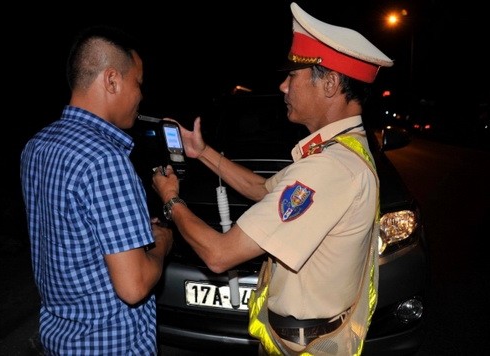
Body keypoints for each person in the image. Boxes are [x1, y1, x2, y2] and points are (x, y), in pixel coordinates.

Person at [152, 3, 394, 355]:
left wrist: (171, 200)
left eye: (292, 76)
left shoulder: (329, 168)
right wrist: (202, 151)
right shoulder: (342, 151)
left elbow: (219, 255)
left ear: (329, 84)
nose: (283, 86)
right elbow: (260, 188)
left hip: (302, 347)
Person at [20, 25, 173, 355]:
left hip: (60, 340)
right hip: (111, 345)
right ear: (113, 80)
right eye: (138, 84)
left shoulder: (37, 146)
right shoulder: (105, 160)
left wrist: (130, 237)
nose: (141, 96)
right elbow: (133, 287)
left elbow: (72, 237)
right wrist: (161, 243)